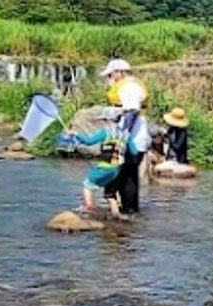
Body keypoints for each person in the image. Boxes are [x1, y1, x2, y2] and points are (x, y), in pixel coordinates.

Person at [100, 58, 150, 214]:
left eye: (110, 75)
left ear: (119, 73)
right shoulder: (130, 86)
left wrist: (122, 138)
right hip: (134, 140)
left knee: (125, 177)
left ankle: (128, 212)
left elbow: (132, 111)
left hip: (132, 141)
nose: (109, 79)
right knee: (127, 176)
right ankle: (129, 213)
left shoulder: (129, 87)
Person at [62, 108, 130, 218]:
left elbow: (89, 141)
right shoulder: (124, 133)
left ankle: (89, 208)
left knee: (87, 184)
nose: (103, 122)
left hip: (106, 167)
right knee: (110, 194)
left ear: (109, 120)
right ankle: (117, 215)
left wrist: (75, 134)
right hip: (118, 169)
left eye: (104, 120)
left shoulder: (106, 132)